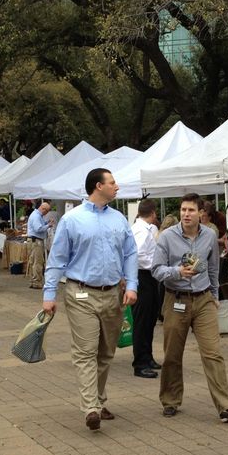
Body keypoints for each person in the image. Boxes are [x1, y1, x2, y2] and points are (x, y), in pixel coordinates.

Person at [43, 169, 138, 431]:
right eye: (112, 182)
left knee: (106, 352)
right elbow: (57, 260)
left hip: (113, 295)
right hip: (80, 293)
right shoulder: (71, 220)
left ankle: (98, 399)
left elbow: (130, 254)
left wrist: (132, 285)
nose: (117, 186)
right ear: (98, 186)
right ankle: (91, 408)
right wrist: (49, 295)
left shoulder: (119, 219)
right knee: (85, 353)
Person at [152, 193, 228, 423]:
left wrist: (214, 295)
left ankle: (225, 406)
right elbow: (156, 269)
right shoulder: (167, 237)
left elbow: (213, 268)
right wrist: (176, 272)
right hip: (176, 299)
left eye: (191, 210)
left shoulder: (210, 236)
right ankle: (171, 400)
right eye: (183, 210)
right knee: (172, 354)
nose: (186, 214)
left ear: (201, 213)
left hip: (203, 300)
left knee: (213, 353)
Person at [131, 199, 162, 378]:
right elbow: (140, 256)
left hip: (149, 277)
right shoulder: (140, 230)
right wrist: (157, 265)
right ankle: (140, 362)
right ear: (152, 213)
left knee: (150, 319)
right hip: (142, 276)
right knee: (142, 321)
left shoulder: (150, 229)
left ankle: (148, 356)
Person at [26, 202, 52, 290]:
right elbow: (38, 228)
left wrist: (46, 222)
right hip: (36, 240)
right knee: (38, 262)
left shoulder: (36, 215)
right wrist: (48, 225)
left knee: (33, 261)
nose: (47, 213)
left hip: (33, 240)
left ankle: (33, 281)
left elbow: (39, 225)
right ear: (43, 209)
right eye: (47, 211)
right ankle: (37, 282)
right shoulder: (36, 216)